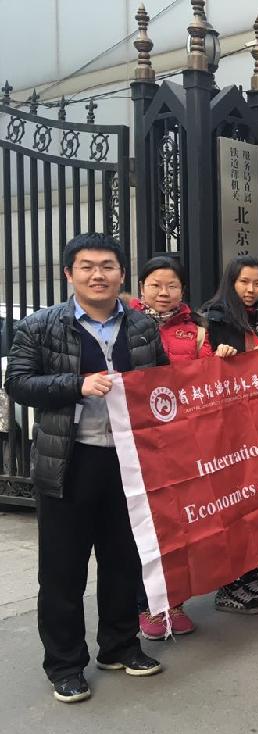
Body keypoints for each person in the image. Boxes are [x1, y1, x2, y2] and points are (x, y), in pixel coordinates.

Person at [5, 233, 168, 704]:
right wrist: (76, 384)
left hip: (129, 463)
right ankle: (65, 664)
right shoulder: (41, 326)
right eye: (87, 266)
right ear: (69, 274)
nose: (98, 275)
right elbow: (18, 383)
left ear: (122, 273)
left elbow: (162, 381)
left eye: (108, 266)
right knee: (63, 570)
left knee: (123, 560)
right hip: (69, 461)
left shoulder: (141, 326)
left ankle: (120, 646)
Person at [130, 255, 218, 640]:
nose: (163, 293)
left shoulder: (196, 330)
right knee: (144, 525)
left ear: (183, 289)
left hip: (183, 439)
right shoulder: (124, 323)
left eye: (172, 286)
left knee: (179, 524)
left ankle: (175, 601)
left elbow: (208, 378)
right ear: (142, 287)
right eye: (155, 285)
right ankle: (144, 605)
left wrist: (223, 361)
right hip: (138, 441)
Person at [201, 256, 258, 615]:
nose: (251, 290)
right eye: (244, 282)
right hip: (229, 428)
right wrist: (222, 357)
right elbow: (200, 370)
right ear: (230, 283)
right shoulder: (213, 318)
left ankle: (249, 575)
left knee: (257, 504)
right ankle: (227, 584)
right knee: (232, 506)